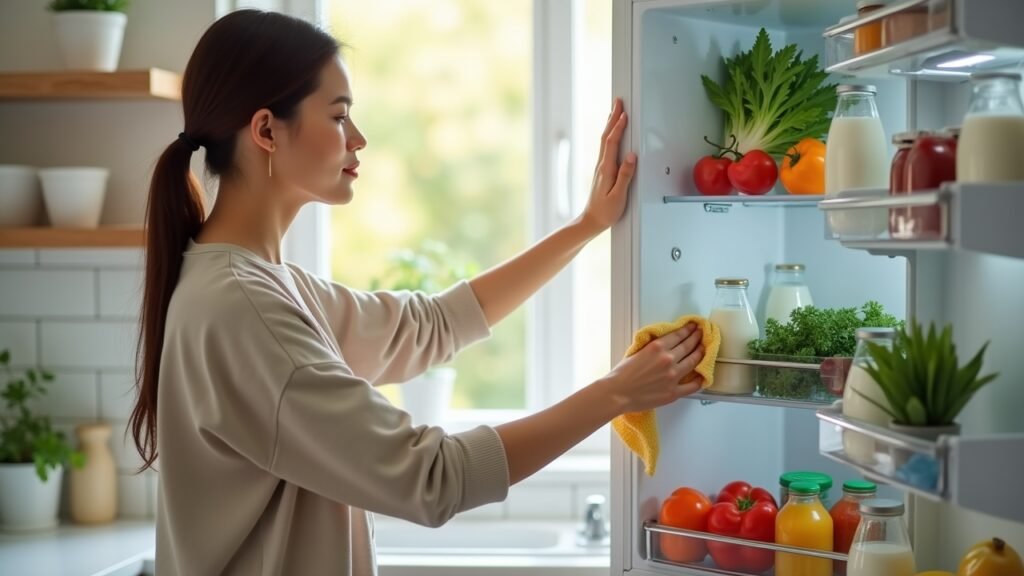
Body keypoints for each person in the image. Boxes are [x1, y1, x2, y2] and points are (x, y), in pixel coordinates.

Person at [129, 9, 704, 575]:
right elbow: (432, 478)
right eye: (338, 116)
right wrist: (614, 395)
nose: (359, 138)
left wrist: (586, 226)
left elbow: (431, 326)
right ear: (265, 131)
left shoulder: (260, 284)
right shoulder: (242, 308)